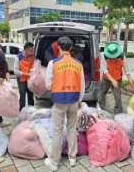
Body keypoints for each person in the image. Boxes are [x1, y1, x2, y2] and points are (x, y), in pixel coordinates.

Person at [44, 36, 85, 171]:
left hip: (59, 101)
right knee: (72, 128)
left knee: (58, 131)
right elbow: (82, 85)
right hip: (73, 100)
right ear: (72, 47)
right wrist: (79, 100)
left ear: (59, 47)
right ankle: (72, 158)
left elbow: (48, 85)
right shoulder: (78, 63)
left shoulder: (53, 63)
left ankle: (54, 162)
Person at [98, 42, 134, 114]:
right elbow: (105, 70)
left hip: (118, 79)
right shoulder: (104, 57)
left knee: (118, 97)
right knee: (101, 95)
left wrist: (129, 79)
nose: (113, 57)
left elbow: (126, 67)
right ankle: (100, 110)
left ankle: (118, 113)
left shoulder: (122, 56)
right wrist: (112, 81)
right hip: (106, 79)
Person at [14, 42, 34, 110]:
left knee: (30, 95)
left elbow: (33, 66)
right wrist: (27, 74)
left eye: (32, 51)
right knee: (22, 95)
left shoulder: (32, 57)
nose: (32, 52)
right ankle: (21, 111)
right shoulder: (18, 58)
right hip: (21, 80)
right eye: (31, 51)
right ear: (26, 50)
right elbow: (16, 72)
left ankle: (31, 110)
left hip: (29, 80)